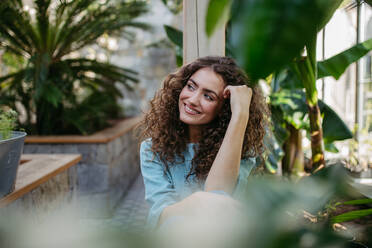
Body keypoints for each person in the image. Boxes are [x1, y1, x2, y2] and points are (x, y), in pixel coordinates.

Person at [138, 56, 268, 230]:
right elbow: (161, 215)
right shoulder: (152, 149)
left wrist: (240, 114)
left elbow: (218, 196)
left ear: (224, 109)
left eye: (208, 96)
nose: (192, 99)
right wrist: (194, 203)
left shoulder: (242, 150)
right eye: (191, 86)